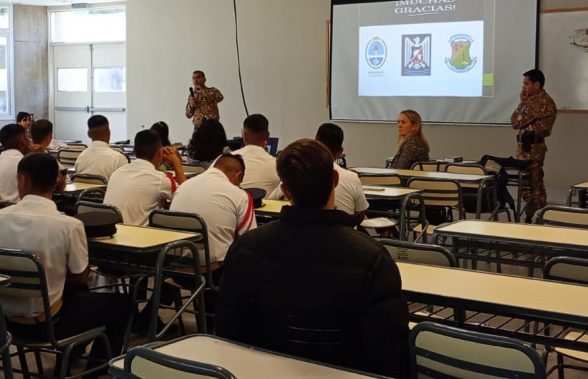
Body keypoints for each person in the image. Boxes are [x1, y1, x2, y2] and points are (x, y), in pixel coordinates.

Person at [215, 139, 409, 378]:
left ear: (285, 191)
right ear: (335, 182)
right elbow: (390, 352)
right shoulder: (372, 259)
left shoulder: (245, 249)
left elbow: (227, 332)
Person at [0, 152, 131, 364]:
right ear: (57, 181)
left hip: (2, 320)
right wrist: (52, 276)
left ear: (22, 180)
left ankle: (73, 353)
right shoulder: (69, 225)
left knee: (75, 294)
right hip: (49, 323)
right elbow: (81, 277)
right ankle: (98, 366)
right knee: (121, 303)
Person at [169, 153, 256, 268]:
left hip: (172, 269)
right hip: (213, 273)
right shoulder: (240, 196)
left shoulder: (183, 187)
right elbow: (250, 241)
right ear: (238, 176)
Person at [269, 123, 368, 217]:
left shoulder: (295, 172)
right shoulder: (351, 178)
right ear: (334, 180)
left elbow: (269, 203)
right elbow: (360, 214)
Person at [104, 129, 186, 226]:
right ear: (160, 153)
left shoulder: (117, 173)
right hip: (137, 238)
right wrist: (177, 164)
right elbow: (185, 197)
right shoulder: (160, 179)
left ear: (134, 152)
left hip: (109, 235)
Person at [511, 68, 557, 218]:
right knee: (528, 184)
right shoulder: (532, 101)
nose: (524, 87)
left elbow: (516, 122)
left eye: (526, 84)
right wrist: (524, 103)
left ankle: (538, 216)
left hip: (533, 148)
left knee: (533, 185)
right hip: (527, 146)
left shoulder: (540, 102)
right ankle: (535, 216)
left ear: (537, 84)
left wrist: (522, 104)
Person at [231, 114, 280, 196]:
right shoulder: (278, 166)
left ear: (244, 135)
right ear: (267, 135)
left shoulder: (224, 161)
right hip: (265, 207)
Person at [0, 124, 31, 204]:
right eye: (27, 137)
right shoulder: (24, 163)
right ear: (23, 139)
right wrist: (41, 154)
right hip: (16, 211)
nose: (30, 141)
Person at [75, 115, 128, 181]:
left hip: (83, 191)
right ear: (108, 131)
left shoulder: (81, 157)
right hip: (108, 191)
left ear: (88, 134)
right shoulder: (118, 159)